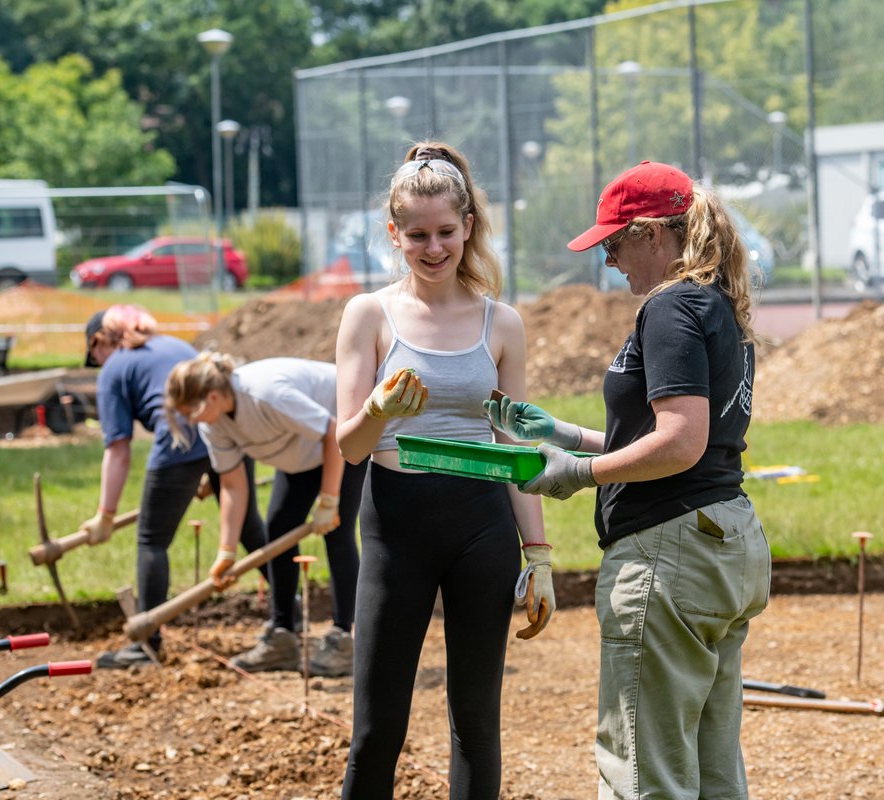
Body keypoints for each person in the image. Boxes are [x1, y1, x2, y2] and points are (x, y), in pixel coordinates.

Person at [487, 161, 771, 799]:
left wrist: (578, 474)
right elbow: (679, 440)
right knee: (713, 769)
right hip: (724, 541)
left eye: (614, 243)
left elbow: (680, 442)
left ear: (652, 235)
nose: (610, 261)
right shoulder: (717, 306)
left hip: (668, 554)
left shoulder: (670, 307)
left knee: (644, 775)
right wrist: (562, 434)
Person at [335, 141, 553, 799]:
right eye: (418, 235)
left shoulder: (502, 324)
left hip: (480, 527)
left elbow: (511, 445)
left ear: (468, 229)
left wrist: (537, 554)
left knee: (476, 725)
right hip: (395, 525)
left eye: (447, 233)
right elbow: (349, 446)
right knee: (377, 727)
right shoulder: (368, 315)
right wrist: (378, 407)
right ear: (394, 235)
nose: (434, 249)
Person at [82, 304, 268, 669]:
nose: (99, 365)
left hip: (179, 437)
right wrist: (207, 472)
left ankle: (145, 645)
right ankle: (286, 619)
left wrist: (105, 515)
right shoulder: (171, 344)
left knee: (152, 539)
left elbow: (118, 449)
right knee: (250, 528)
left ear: (99, 342)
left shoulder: (114, 369)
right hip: (228, 428)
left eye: (95, 357)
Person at [163, 353, 364, 676]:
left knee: (337, 533)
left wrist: (328, 500)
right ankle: (282, 635)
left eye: (191, 412)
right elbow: (232, 485)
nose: (191, 421)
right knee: (279, 532)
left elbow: (332, 431)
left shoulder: (267, 393)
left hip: (344, 438)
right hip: (299, 453)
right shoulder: (214, 423)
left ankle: (347, 637)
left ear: (211, 396)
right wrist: (226, 551)